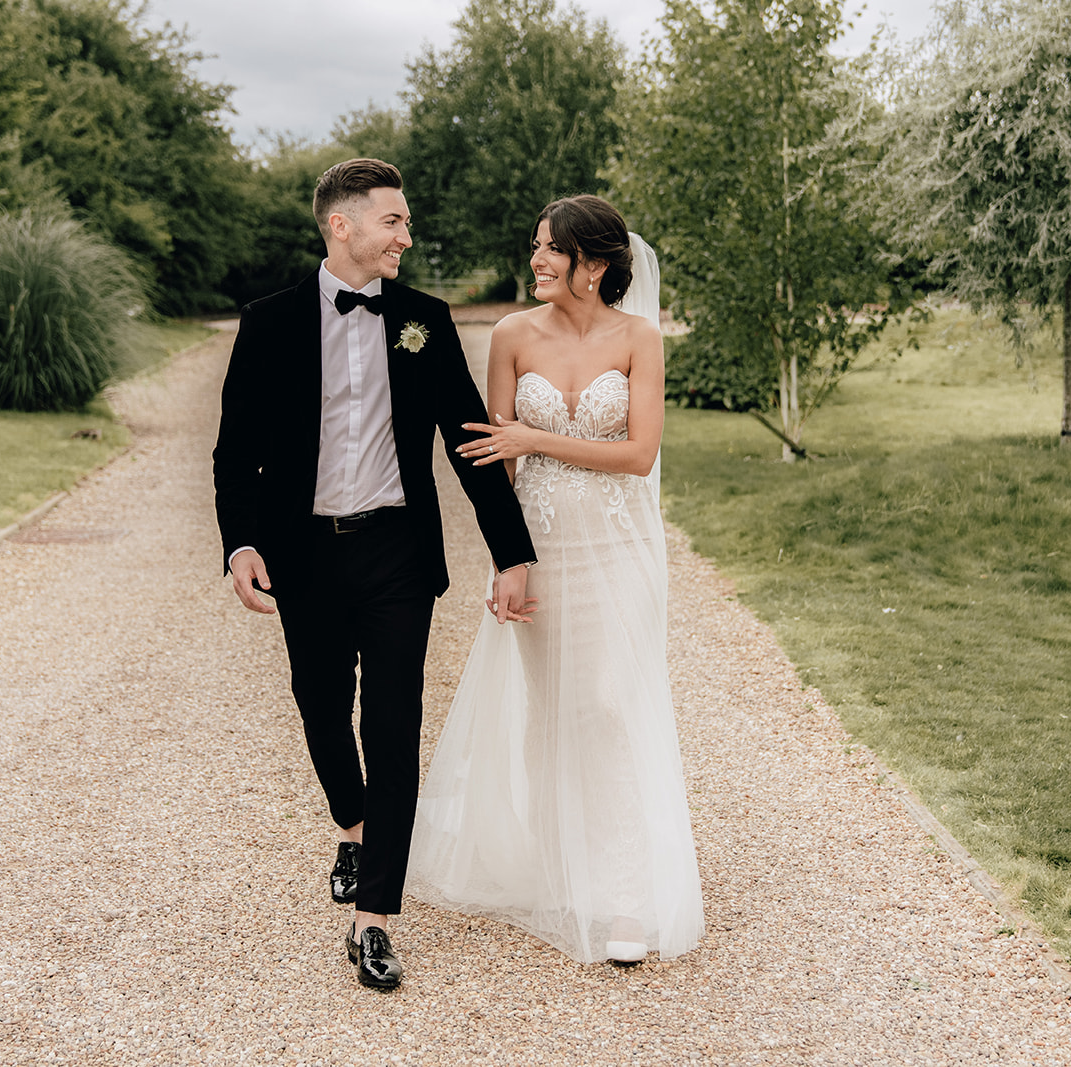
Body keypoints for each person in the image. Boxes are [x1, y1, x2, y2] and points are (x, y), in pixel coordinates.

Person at [213, 158, 538, 991]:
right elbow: (234, 453)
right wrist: (241, 546)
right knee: (320, 706)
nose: (407, 234)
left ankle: (376, 919)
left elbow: (470, 441)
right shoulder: (271, 321)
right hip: (305, 555)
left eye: (406, 220)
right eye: (393, 220)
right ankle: (353, 827)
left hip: (397, 554)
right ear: (342, 225)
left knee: (393, 724)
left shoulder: (424, 320)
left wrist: (513, 550)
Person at [407, 195, 705, 964]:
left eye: (552, 249)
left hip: (617, 544)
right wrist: (507, 560)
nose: (536, 259)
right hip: (540, 544)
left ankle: (626, 894)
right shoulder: (511, 335)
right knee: (552, 709)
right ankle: (560, 862)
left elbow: (639, 453)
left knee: (607, 704)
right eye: (535, 245)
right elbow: (496, 463)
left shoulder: (640, 337)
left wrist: (538, 435)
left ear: (595, 263)